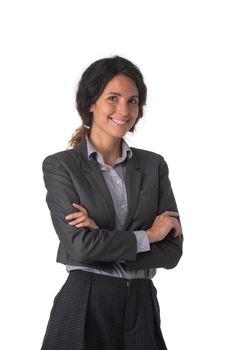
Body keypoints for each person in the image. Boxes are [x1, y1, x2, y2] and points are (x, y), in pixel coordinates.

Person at [40, 55, 184, 350]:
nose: (124, 110)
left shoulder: (154, 166)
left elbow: (172, 252)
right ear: (91, 103)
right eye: (113, 98)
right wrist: (149, 237)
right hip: (86, 301)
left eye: (133, 101)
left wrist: (101, 240)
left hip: (141, 303)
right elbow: (79, 246)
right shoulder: (61, 167)